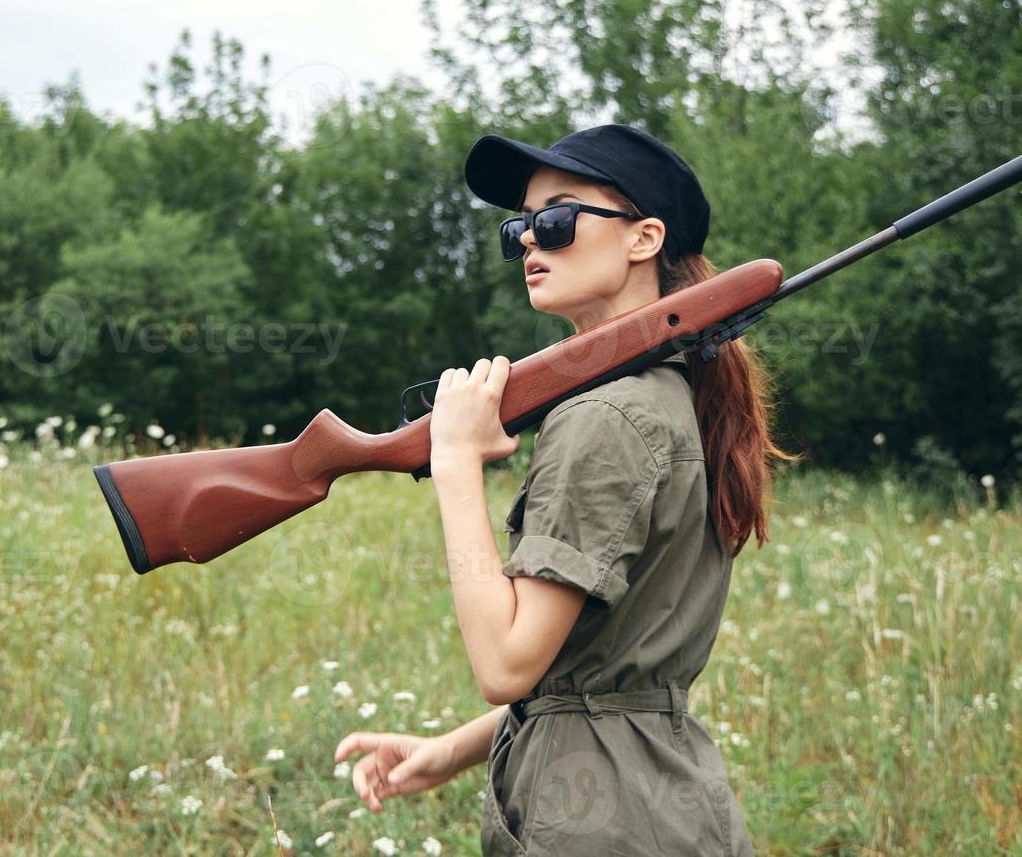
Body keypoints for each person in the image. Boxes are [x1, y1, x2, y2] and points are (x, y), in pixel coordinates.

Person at [334, 123, 797, 854]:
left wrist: (453, 460)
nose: (528, 240)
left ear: (643, 238)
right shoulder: (668, 400)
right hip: (660, 805)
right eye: (521, 225)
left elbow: (507, 663)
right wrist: (448, 750)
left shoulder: (605, 419)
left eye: (555, 218)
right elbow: (602, 675)